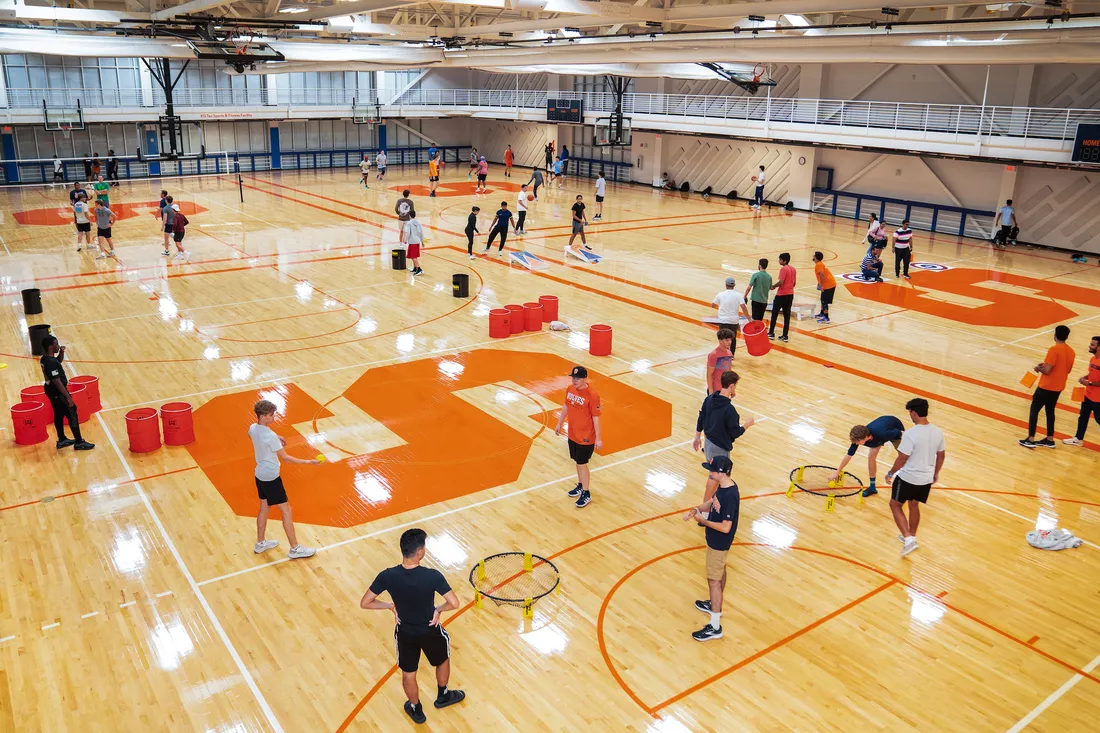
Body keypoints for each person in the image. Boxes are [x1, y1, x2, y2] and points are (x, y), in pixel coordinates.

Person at [360, 528, 465, 725]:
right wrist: (438, 610)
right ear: (419, 552)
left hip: (405, 631)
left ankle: (416, 708)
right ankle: (443, 695)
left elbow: (365, 602)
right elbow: (454, 602)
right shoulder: (432, 575)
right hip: (430, 628)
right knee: (442, 659)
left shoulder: (387, 575)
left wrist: (390, 606)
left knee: (409, 672)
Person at [249, 399, 319, 560]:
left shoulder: (253, 428)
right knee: (286, 511)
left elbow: (258, 435)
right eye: (271, 415)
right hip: (271, 477)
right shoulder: (270, 436)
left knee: (264, 506)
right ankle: (295, 549)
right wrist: (308, 462)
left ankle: (260, 543)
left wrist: (276, 436)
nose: (274, 417)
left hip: (259, 474)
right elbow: (286, 458)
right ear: (264, 416)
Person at [683, 454, 739, 642]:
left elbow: (726, 527)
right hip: (715, 541)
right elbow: (712, 502)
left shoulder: (730, 495)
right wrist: (696, 509)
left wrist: (703, 521)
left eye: (712, 470)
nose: (710, 472)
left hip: (719, 543)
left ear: (722, 473)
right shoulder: (723, 487)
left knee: (713, 580)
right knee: (719, 571)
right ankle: (714, 604)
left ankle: (715, 626)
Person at [883, 398, 946, 557]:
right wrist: (936, 473)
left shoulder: (911, 434)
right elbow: (941, 455)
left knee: (895, 505)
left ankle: (909, 539)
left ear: (914, 413)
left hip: (908, 477)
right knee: (913, 505)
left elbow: (902, 458)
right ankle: (911, 537)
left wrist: (890, 473)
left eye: (910, 413)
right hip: (925, 479)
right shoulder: (938, 432)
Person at [694, 371, 753, 502]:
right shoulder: (729, 410)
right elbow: (735, 433)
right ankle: (705, 510)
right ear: (731, 386)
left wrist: (697, 437)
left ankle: (714, 505)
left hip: (708, 443)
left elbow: (701, 417)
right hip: (719, 448)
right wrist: (747, 425)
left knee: (718, 479)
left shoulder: (709, 399)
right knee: (715, 479)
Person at [1020, 324, 1075, 448]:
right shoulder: (1071, 351)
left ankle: (1030, 439)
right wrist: (1045, 365)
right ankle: (1049, 439)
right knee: (1050, 411)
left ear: (1055, 335)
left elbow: (1048, 370)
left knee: (1034, 410)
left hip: (1046, 386)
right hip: (1059, 386)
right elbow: (1068, 369)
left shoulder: (1053, 350)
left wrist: (1040, 368)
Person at [556, 365, 601, 508]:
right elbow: (566, 407)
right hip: (573, 433)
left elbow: (596, 417)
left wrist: (598, 439)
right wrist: (559, 423)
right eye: (573, 377)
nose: (574, 380)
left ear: (585, 378)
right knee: (577, 461)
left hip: (586, 436)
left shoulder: (593, 396)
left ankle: (586, 493)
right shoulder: (570, 390)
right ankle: (581, 485)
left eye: (578, 378)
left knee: (582, 463)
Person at [39, 336, 94, 451]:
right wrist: (68, 397)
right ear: (50, 347)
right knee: (72, 412)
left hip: (51, 391)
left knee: (58, 414)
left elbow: (57, 361)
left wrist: (62, 352)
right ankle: (79, 442)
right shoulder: (50, 362)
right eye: (56, 344)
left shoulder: (45, 359)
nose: (57, 346)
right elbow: (57, 382)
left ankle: (62, 439)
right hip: (57, 392)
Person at [830, 415, 905, 498]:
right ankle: (872, 487)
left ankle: (905, 487)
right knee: (871, 457)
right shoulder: (857, 439)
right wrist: (837, 471)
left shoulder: (884, 433)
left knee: (904, 458)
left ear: (865, 437)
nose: (856, 444)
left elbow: (903, 433)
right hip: (879, 435)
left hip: (895, 430)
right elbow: (849, 455)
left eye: (858, 441)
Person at [1064, 335, 1100, 446]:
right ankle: (1078, 439)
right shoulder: (1093, 359)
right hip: (1088, 394)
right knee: (1083, 416)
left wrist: (1089, 383)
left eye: (1092, 345)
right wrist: (1085, 377)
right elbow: (1092, 373)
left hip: (1098, 398)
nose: (1089, 346)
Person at [711, 278, 749, 355]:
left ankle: (724, 354)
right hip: (734, 321)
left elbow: (713, 305)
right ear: (734, 285)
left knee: (723, 339)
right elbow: (743, 307)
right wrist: (749, 318)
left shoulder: (720, 294)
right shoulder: (738, 295)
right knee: (732, 338)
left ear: (726, 285)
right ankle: (731, 355)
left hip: (723, 321)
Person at [767, 252, 796, 342]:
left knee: (775, 313)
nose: (779, 261)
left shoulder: (784, 269)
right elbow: (794, 283)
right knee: (787, 315)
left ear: (784, 261)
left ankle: (771, 333)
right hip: (790, 294)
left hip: (781, 295)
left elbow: (781, 282)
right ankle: (785, 335)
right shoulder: (793, 269)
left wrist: (773, 286)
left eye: (780, 259)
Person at [705, 329, 735, 394]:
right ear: (720, 341)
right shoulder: (714, 355)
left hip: (725, 390)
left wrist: (732, 389)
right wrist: (710, 391)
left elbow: (729, 373)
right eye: (727, 340)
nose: (729, 342)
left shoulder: (729, 353)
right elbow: (709, 374)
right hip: (715, 390)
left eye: (730, 340)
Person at [745, 258, 772, 322]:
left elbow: (749, 287)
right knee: (760, 319)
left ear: (760, 266)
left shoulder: (756, 275)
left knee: (754, 319)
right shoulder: (769, 277)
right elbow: (770, 288)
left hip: (756, 300)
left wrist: (745, 295)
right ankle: (759, 331)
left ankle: (754, 331)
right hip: (764, 301)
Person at [813, 251, 836, 324]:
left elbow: (822, 275)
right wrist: (819, 283)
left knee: (824, 301)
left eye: (814, 256)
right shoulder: (820, 264)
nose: (812, 256)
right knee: (822, 299)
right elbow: (821, 275)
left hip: (828, 285)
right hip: (829, 283)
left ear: (816, 257)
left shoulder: (818, 265)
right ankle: (822, 313)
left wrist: (822, 285)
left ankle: (826, 318)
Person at [404, 210, 425, 276]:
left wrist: (405, 240)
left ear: (409, 215)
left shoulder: (409, 223)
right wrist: (422, 241)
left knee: (413, 257)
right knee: (413, 255)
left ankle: (419, 269)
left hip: (412, 241)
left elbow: (408, 233)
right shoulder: (418, 223)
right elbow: (421, 233)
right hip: (417, 241)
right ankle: (415, 268)